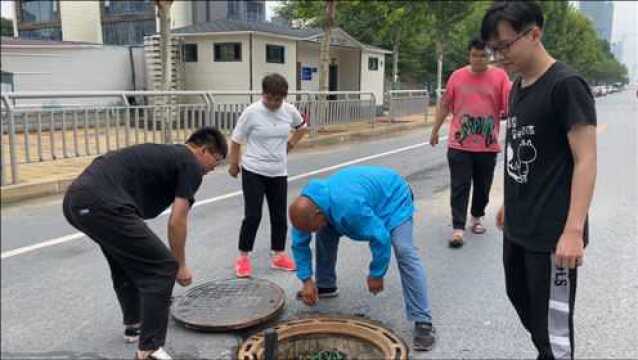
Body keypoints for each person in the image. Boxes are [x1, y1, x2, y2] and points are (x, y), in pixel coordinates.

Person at [481, 2, 597, 359]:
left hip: (551, 234)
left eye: (503, 46)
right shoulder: (518, 88)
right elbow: (522, 153)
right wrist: (507, 203)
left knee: (553, 331)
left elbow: (586, 158)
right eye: (492, 50)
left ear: (534, 33)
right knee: (522, 301)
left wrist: (573, 230)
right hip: (519, 224)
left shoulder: (566, 86)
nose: (498, 57)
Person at [63, 127, 228, 360]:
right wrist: (180, 265)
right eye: (217, 160)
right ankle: (149, 348)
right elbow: (177, 219)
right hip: (102, 202)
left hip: (76, 200)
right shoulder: (190, 164)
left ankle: (135, 323)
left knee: (124, 260)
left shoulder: (167, 155)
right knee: (163, 267)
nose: (214, 167)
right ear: (204, 151)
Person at [289, 166, 436, 351]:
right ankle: (325, 285)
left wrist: (376, 274)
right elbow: (299, 244)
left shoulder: (350, 208)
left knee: (404, 250)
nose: (310, 232)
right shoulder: (306, 208)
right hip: (357, 199)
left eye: (311, 228)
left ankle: (423, 320)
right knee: (324, 231)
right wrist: (306, 280)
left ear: (318, 213)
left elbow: (380, 237)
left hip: (394, 197)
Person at [430, 37, 511, 248]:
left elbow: (511, 106)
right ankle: (458, 227)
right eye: (475, 55)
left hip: (487, 145)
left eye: (483, 55)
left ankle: (476, 217)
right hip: (459, 144)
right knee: (460, 185)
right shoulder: (457, 76)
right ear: (469, 55)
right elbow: (445, 105)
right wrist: (435, 130)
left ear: (489, 57)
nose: (478, 60)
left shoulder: (500, 77)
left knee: (483, 186)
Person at [228, 73, 308, 278]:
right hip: (253, 170)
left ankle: (279, 255)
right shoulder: (252, 112)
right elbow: (236, 140)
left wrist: (290, 144)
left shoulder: (289, 111)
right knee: (253, 215)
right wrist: (233, 164)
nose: (273, 103)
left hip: (278, 171)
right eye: (269, 98)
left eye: (278, 99)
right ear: (263, 94)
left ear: (284, 97)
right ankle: (243, 257)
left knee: (279, 215)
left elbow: (302, 128)